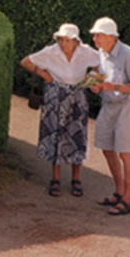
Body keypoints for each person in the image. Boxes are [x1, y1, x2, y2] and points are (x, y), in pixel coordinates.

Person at [19, 23, 102, 197]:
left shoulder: (85, 51)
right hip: (55, 94)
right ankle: (55, 179)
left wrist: (91, 80)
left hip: (77, 95)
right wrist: (46, 76)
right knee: (56, 134)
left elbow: (102, 61)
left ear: (76, 41)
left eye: (67, 40)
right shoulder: (51, 51)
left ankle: (76, 179)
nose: (63, 44)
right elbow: (25, 62)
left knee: (77, 135)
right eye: (61, 39)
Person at [89, 16, 130, 216]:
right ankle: (119, 192)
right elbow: (96, 73)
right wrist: (95, 84)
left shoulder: (128, 54)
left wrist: (114, 86)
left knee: (125, 152)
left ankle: (127, 199)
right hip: (108, 105)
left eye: (98, 35)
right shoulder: (101, 53)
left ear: (111, 36)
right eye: (94, 35)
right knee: (107, 149)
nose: (95, 39)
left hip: (127, 107)